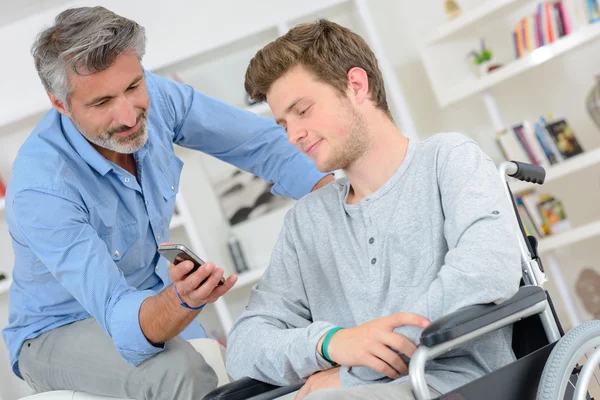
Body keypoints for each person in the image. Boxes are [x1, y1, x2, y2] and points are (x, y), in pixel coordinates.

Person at [1, 6, 333, 400]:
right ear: (60, 104)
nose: (128, 116)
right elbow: (116, 312)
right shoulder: (42, 188)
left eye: (132, 87)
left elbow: (258, 143)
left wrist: (339, 197)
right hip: (57, 331)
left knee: (247, 363)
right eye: (102, 102)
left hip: (148, 295)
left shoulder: (157, 97)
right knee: (182, 372)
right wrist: (181, 300)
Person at [226, 19, 522, 400]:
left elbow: (486, 271)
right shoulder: (307, 221)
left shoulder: (447, 159)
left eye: (302, 110)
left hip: (451, 384)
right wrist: (331, 344)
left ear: (356, 85)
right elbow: (245, 344)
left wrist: (357, 372)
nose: (292, 135)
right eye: (284, 122)